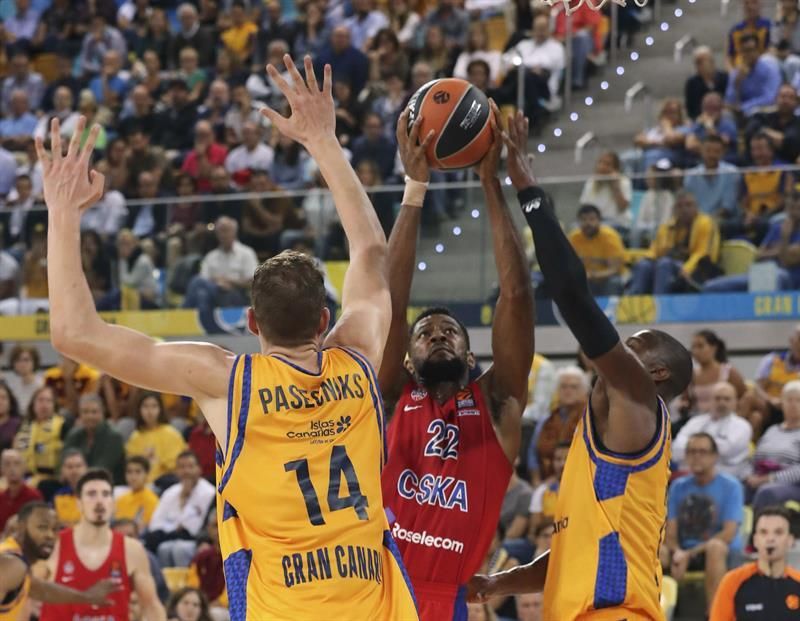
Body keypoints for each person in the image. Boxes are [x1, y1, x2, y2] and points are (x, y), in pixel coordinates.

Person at [38, 54, 417, 618]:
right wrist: (321, 141)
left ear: (250, 323)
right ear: (323, 321)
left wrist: (62, 213)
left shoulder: (225, 380)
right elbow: (371, 252)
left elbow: (74, 334)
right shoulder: (357, 356)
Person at [467, 110, 693, 620]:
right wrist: (501, 581)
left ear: (654, 373)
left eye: (635, 344)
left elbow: (570, 293)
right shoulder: (606, 441)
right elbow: (576, 547)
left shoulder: (639, 399)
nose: (618, 346)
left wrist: (528, 190)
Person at [378, 101, 534, 621]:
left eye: (450, 332)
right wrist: (414, 189)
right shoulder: (392, 394)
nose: (438, 336)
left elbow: (515, 294)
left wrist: (492, 183)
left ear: (470, 353)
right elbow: (390, 303)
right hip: (376, 590)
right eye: (426, 334)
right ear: (407, 353)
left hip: (449, 601)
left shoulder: (497, 401)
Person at [40, 469, 165, 621]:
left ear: (112, 503)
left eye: (105, 494)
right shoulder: (54, 545)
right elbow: (22, 598)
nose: (99, 501)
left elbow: (151, 606)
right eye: (92, 494)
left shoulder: (132, 550)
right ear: (78, 503)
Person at [662, 433, 745, 610]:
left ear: (715, 456)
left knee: (716, 547)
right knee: (656, 549)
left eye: (702, 451)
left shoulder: (731, 486)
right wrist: (676, 551)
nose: (696, 456)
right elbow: (670, 530)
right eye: (691, 451)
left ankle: (715, 614)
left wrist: (688, 553)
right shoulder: (678, 486)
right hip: (684, 550)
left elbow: (728, 534)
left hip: (720, 553)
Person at [0, 501, 119, 620]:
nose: (50, 535)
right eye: (42, 527)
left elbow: (39, 590)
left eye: (55, 529)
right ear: (20, 527)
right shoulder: (13, 564)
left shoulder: (17, 563)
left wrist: (87, 596)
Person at [710, 506, 800, 621]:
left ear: (790, 540)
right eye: (764, 532)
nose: (770, 539)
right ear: (755, 540)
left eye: (778, 532)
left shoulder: (797, 582)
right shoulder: (733, 581)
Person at [629, 190, 721, 295]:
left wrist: (687, 268)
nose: (684, 209)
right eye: (680, 206)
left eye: (689, 205)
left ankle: (660, 303)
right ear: (674, 210)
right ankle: (633, 304)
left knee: (664, 264)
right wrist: (640, 260)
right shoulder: (668, 227)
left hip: (699, 268)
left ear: (697, 207)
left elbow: (702, 253)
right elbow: (654, 251)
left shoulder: (705, 222)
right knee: (643, 265)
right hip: (672, 265)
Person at [144, 451, 215, 568]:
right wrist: (175, 527)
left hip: (196, 539)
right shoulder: (170, 492)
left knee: (178, 549)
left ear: (199, 469)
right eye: (182, 467)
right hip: (171, 538)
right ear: (176, 471)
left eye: (190, 466)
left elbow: (194, 528)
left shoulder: (209, 493)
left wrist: (186, 500)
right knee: (163, 548)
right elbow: (155, 523)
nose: (186, 471)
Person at [672, 383, 753, 479]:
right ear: (710, 400)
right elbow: (676, 449)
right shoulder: (695, 422)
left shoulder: (742, 426)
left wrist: (691, 449)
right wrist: (710, 449)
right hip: (687, 476)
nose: (722, 403)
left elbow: (727, 451)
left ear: (736, 402)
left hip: (725, 478)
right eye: (717, 398)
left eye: (727, 399)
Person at [747, 379, 800, 509]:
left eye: (798, 400)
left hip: (792, 484)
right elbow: (755, 458)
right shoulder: (772, 430)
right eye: (789, 400)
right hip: (761, 478)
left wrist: (770, 479)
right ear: (782, 403)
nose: (793, 404)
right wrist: (750, 476)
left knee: (767, 492)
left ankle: (757, 529)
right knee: (736, 486)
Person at [125, 392, 187, 486]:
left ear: (161, 409)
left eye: (154, 406)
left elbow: (176, 467)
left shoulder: (171, 433)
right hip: (138, 485)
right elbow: (131, 466)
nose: (149, 411)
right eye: (145, 406)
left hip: (164, 485)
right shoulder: (135, 436)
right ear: (139, 410)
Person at [62, 394, 126, 485]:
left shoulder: (114, 437)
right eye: (85, 412)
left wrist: (74, 473)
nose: (90, 416)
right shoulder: (74, 435)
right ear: (80, 414)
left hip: (110, 486)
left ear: (102, 412)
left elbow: (101, 469)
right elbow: (63, 462)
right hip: (77, 484)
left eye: (94, 412)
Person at [568, 204, 626, 297]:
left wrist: (593, 275)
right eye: (583, 219)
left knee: (613, 282)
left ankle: (609, 310)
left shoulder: (610, 237)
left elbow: (615, 269)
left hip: (607, 278)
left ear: (599, 221)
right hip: (584, 278)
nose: (588, 223)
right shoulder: (574, 237)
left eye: (592, 219)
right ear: (578, 222)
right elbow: (568, 265)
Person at [689, 330, 748, 414]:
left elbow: (745, 397)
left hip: (725, 419)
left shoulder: (728, 371)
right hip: (698, 421)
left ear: (714, 348)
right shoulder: (692, 374)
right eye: (693, 347)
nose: (696, 351)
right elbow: (688, 401)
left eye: (700, 346)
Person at [725, 33, 782, 117]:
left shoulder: (770, 69)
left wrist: (745, 107)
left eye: (751, 50)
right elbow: (729, 101)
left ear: (758, 50)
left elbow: (770, 97)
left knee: (757, 113)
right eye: (744, 51)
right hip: (741, 113)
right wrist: (737, 83)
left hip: (764, 111)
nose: (748, 54)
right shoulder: (736, 73)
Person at [0, 449, 42, 532]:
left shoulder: (34, 496)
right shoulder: (1, 497)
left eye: (16, 463)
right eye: (7, 464)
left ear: (24, 467)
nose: (12, 468)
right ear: (2, 469)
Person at [53, 449, 87, 527]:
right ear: (63, 470)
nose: (74, 471)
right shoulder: (58, 495)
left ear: (86, 468)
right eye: (69, 467)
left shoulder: (95, 493)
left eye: (78, 466)